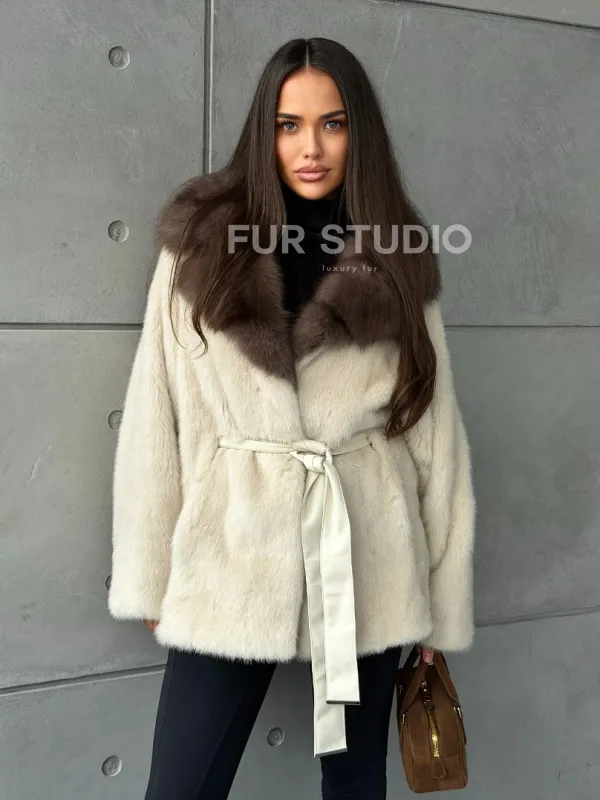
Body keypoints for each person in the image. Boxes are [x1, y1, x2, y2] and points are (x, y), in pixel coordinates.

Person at [107, 37, 476, 800]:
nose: (311, 147)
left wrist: (441, 610)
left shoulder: (398, 256)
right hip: (231, 546)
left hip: (368, 549)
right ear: (264, 131)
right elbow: (154, 416)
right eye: (289, 124)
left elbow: (436, 437)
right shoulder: (201, 248)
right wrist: (151, 575)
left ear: (358, 133)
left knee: (356, 783)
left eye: (332, 124)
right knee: (180, 786)